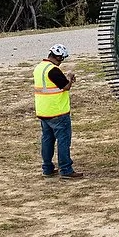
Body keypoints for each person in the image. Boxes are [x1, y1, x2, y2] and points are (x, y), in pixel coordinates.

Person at [33, 43, 82, 180]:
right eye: (62, 59)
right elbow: (65, 87)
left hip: (43, 111)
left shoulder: (39, 68)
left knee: (47, 140)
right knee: (63, 140)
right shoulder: (53, 70)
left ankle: (47, 169)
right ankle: (66, 169)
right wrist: (70, 78)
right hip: (58, 111)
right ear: (58, 57)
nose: (61, 62)